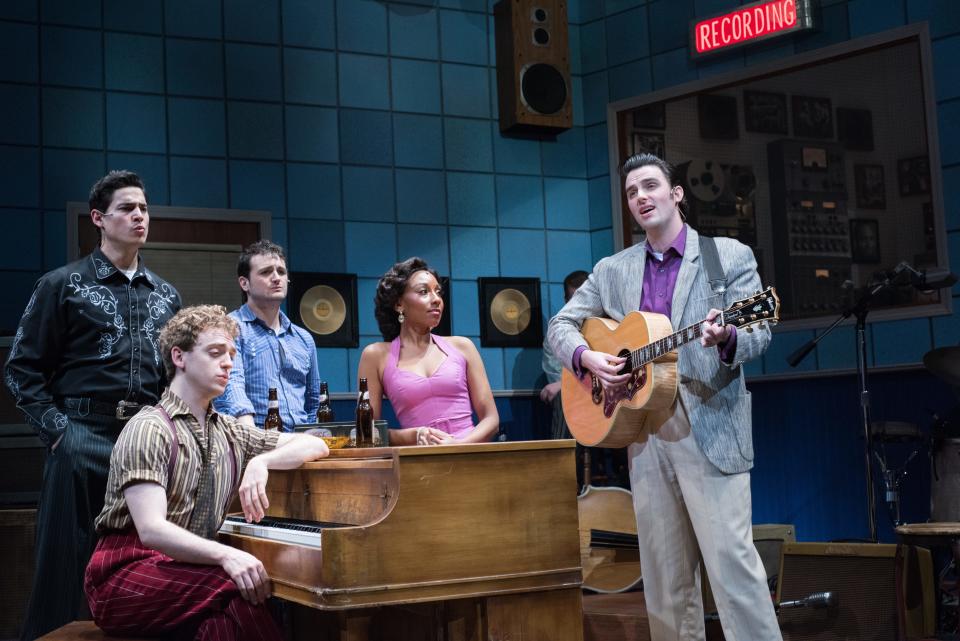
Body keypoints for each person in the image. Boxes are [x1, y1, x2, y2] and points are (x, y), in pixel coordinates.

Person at [546, 153, 780, 641]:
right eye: (632, 193)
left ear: (677, 194)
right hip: (644, 433)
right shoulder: (614, 269)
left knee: (733, 573)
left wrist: (728, 339)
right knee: (665, 584)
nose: (641, 198)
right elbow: (559, 326)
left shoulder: (727, 256)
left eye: (650, 186)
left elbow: (757, 333)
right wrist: (588, 359)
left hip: (710, 425)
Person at [4, 170, 181, 640]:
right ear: (98, 219)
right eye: (127, 208)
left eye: (143, 208)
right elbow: (21, 368)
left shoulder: (167, 295)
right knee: (65, 566)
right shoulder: (60, 285)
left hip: (145, 442)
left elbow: (173, 380)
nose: (139, 216)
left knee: (145, 561)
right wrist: (59, 433)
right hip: (80, 436)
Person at [84, 305, 329, 640]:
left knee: (222, 625)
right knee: (234, 584)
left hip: (186, 572)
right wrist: (229, 554)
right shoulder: (149, 427)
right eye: (215, 353)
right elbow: (152, 530)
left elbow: (316, 444)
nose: (228, 362)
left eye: (231, 353)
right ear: (179, 357)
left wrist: (262, 462)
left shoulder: (230, 431)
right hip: (124, 577)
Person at [358, 257, 499, 445]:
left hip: (470, 457)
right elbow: (367, 430)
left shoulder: (463, 347)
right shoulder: (375, 356)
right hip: (419, 463)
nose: (436, 299)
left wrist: (459, 446)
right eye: (424, 292)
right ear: (399, 304)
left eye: (438, 292)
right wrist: (413, 435)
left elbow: (491, 419)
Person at [214, 240, 320, 430]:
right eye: (265, 272)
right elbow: (232, 387)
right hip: (250, 439)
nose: (276, 277)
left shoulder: (304, 339)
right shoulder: (229, 328)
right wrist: (252, 436)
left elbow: (313, 401)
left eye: (281, 271)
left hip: (301, 445)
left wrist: (311, 437)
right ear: (244, 283)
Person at [540, 270, 588, 439]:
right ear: (566, 301)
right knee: (562, 397)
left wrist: (562, 384)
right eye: (572, 300)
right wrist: (564, 385)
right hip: (574, 396)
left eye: (582, 300)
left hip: (605, 390)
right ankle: (561, 460)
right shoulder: (556, 333)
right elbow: (555, 376)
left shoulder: (606, 322)